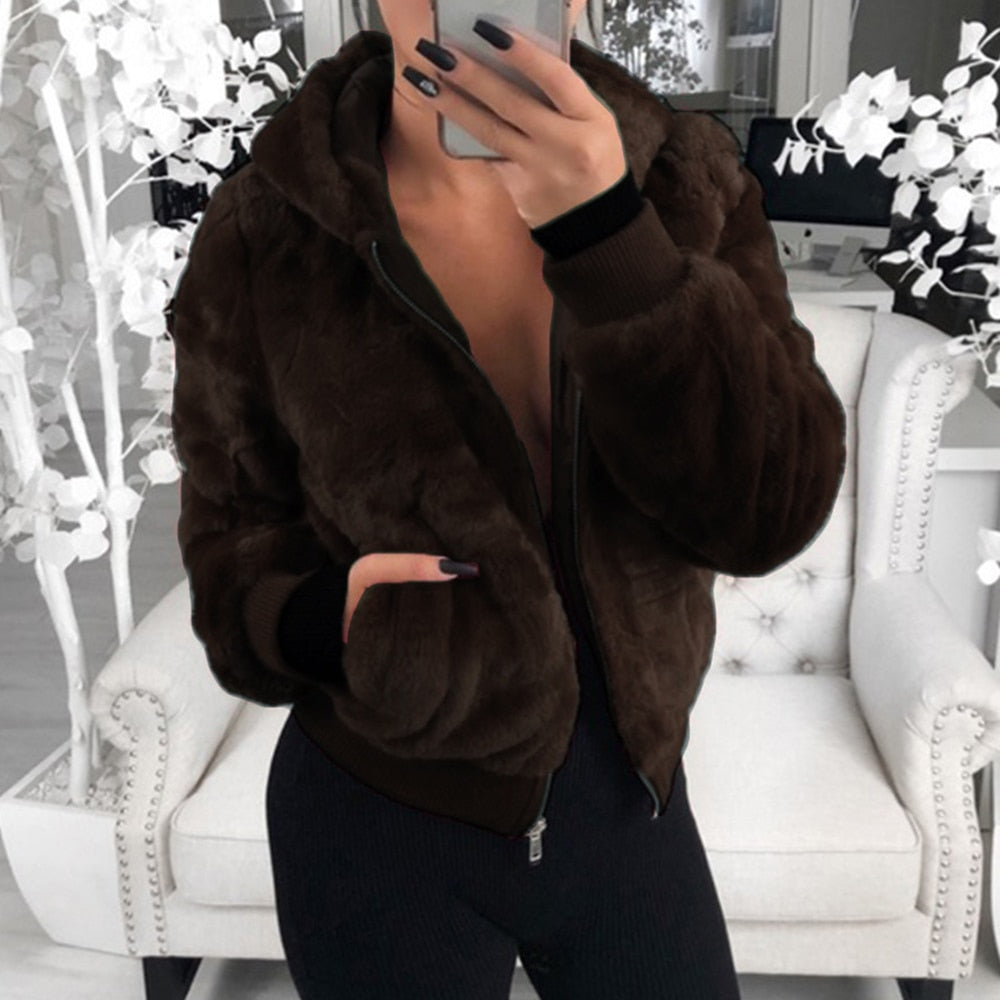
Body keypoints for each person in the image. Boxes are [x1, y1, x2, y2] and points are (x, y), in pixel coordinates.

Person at [167, 0, 848, 997]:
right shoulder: (265, 228)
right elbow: (231, 542)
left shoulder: (686, 183)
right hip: (376, 815)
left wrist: (611, 235)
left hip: (630, 804)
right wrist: (324, 620)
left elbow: (767, 513)